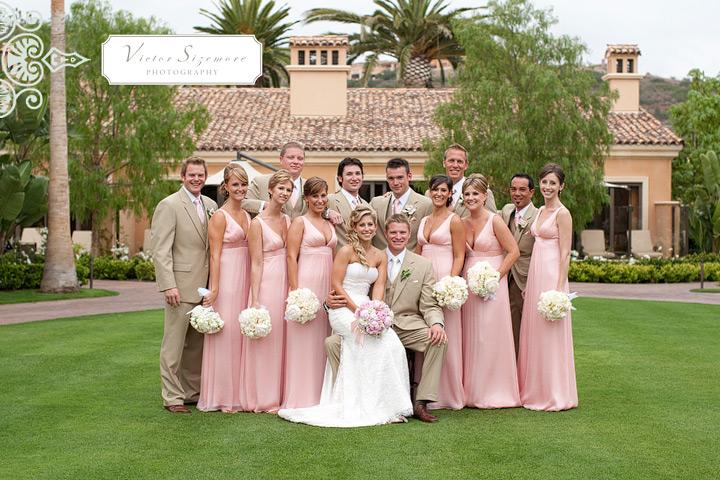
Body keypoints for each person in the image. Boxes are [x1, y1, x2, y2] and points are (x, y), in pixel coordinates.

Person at [278, 206, 413, 427]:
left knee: (392, 345)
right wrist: (357, 311)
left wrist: (375, 311)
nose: (367, 228)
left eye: (370, 224)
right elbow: (336, 284)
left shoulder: (379, 255)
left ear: (375, 227)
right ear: (354, 228)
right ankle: (364, 404)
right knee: (367, 345)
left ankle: (389, 405)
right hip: (343, 308)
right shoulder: (346, 251)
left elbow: (378, 288)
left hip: (367, 308)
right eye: (362, 225)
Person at [324, 214, 449, 423]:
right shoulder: (369, 255)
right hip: (367, 320)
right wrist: (329, 301)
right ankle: (355, 400)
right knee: (333, 342)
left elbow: (429, 304)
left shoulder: (422, 265)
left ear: (409, 235)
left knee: (438, 340)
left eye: (402, 232)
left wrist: (436, 323)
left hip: (406, 323)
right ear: (385, 233)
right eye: (393, 232)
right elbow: (344, 285)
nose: (398, 236)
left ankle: (421, 402)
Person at [151, 156, 218, 413]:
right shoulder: (169, 205)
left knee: (195, 346)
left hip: (204, 287)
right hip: (179, 285)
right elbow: (161, 249)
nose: (196, 179)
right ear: (183, 176)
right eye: (191, 175)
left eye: (200, 175)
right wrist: (168, 285)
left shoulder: (211, 204)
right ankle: (172, 397)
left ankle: (191, 392)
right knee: (174, 344)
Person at [517, 163, 578, 411]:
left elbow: (565, 254)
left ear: (561, 186)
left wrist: (558, 289)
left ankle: (554, 393)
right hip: (536, 273)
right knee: (534, 332)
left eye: (553, 183)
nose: (548, 186)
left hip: (552, 275)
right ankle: (534, 390)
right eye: (544, 182)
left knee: (550, 333)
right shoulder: (540, 209)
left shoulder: (563, 214)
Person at [460, 174, 521, 408]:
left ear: (485, 196)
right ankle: (471, 391)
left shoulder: (495, 220)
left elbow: (513, 251)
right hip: (469, 284)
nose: (471, 198)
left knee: (490, 336)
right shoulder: (462, 222)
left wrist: (495, 278)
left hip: (493, 287)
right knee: (472, 336)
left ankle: (495, 390)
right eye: (467, 194)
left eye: (475, 193)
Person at [197, 163, 251, 413]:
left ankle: (241, 393)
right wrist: (215, 289)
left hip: (245, 276)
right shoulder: (219, 216)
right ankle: (222, 395)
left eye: (243, 184)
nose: (240, 189)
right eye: (235, 184)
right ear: (226, 187)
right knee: (226, 335)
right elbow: (215, 256)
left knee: (241, 335)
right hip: (227, 277)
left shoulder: (248, 215)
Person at [282, 177, 337, 408]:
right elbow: (290, 257)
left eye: (323, 195)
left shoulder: (330, 223)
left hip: (328, 285)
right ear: (306, 198)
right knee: (304, 341)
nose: (320, 200)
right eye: (315, 196)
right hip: (307, 284)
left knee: (324, 339)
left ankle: (322, 394)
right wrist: (296, 292)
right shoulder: (299, 223)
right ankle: (301, 396)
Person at [242, 170, 293, 412]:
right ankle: (262, 397)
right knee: (267, 340)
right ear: (270, 190)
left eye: (289, 189)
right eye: (281, 188)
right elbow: (256, 262)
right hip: (268, 283)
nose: (284, 193)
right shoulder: (257, 223)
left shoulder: (289, 221)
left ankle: (282, 394)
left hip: (287, 282)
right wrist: (254, 298)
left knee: (285, 338)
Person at [417, 174, 466, 410]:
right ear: (430, 191)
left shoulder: (455, 220)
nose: (438, 194)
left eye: (443, 190)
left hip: (444, 278)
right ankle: (424, 390)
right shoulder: (424, 219)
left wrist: (451, 283)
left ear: (449, 194)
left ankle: (448, 394)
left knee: (448, 335)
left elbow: (459, 255)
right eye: (435, 189)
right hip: (424, 280)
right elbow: (416, 254)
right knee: (427, 332)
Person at [500, 173, 538, 357]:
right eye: (513, 189)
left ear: (531, 192)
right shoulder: (507, 211)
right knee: (510, 328)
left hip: (527, 278)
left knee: (531, 331)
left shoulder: (538, 215)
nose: (517, 193)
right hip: (506, 279)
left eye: (522, 189)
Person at [371, 157, 432, 251]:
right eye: (391, 178)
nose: (395, 183)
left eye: (400, 178)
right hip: (381, 261)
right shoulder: (376, 203)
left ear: (409, 176)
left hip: (411, 262)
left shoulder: (426, 204)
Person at [242, 142, 307, 219]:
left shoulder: (309, 185)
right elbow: (241, 202)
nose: (296, 162)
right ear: (281, 159)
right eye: (291, 157)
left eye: (300, 158)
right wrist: (264, 205)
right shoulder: (260, 182)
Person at [430, 143, 497, 217]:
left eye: (459, 161)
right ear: (444, 163)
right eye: (451, 161)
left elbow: (492, 221)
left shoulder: (482, 191)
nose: (455, 165)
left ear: (466, 165)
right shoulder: (430, 194)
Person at [327, 157, 371, 248]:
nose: (354, 178)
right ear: (340, 178)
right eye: (349, 174)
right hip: (338, 257)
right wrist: (327, 212)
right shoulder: (330, 200)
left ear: (362, 177)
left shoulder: (368, 206)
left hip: (363, 258)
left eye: (358, 174)